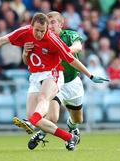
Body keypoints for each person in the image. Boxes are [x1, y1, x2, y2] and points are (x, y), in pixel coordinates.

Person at [0, 12, 108, 150]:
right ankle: (69, 137)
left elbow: (72, 59)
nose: (40, 34)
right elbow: (3, 39)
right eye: (37, 30)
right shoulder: (24, 32)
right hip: (36, 76)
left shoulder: (54, 39)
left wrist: (90, 75)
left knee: (45, 100)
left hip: (54, 74)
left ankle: (32, 122)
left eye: (43, 30)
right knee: (42, 117)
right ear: (31, 26)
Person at [22, 11, 86, 150]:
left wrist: (63, 50)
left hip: (73, 83)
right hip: (55, 81)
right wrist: (25, 53)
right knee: (52, 117)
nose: (50, 26)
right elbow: (29, 62)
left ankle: (72, 127)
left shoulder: (69, 35)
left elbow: (78, 47)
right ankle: (41, 132)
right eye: (48, 23)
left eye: (53, 22)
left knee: (78, 119)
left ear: (61, 24)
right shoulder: (42, 39)